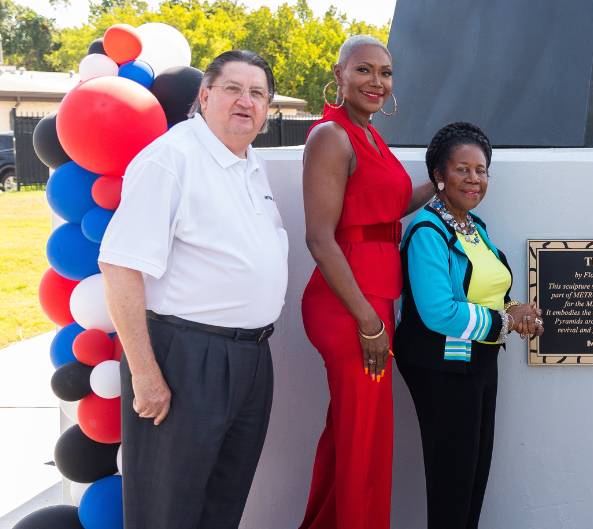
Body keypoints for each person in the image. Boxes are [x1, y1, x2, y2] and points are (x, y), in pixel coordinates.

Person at [99, 50, 288, 529]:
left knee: (223, 502)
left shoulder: (249, 164)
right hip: (184, 358)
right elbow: (120, 267)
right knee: (169, 510)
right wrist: (144, 374)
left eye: (257, 93)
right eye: (232, 89)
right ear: (204, 96)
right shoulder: (172, 159)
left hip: (249, 358)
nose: (246, 101)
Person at [298, 35, 434, 529]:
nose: (377, 81)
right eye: (364, 70)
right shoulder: (330, 136)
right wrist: (369, 321)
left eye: (385, 72)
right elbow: (320, 238)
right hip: (348, 305)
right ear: (339, 75)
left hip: (375, 296)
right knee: (364, 443)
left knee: (354, 435)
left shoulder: (369, 135)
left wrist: (441, 184)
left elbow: (384, 209)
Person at [394, 122, 543, 529]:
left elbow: (489, 292)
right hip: (442, 369)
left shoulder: (476, 228)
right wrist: (505, 320)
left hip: (479, 363)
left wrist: (518, 309)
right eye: (463, 169)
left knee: (474, 476)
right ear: (439, 176)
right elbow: (438, 311)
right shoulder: (428, 231)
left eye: (481, 170)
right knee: (451, 482)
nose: (474, 179)